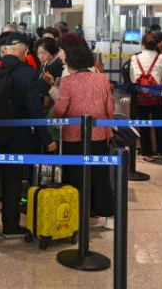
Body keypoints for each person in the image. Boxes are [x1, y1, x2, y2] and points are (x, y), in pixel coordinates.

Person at [0, 34, 56, 237]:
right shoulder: (28, 73)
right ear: (25, 51)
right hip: (16, 134)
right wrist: (46, 139)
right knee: (12, 179)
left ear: (5, 50)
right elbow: (34, 110)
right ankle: (10, 226)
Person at [53, 43, 116, 229]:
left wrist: (56, 116)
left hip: (74, 134)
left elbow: (60, 109)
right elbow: (109, 107)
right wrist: (108, 129)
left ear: (71, 62)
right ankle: (108, 215)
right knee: (100, 175)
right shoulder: (102, 79)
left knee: (75, 175)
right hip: (98, 133)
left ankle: (77, 213)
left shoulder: (67, 82)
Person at [130, 32, 162, 159]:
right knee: (159, 122)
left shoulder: (135, 58)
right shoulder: (161, 58)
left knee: (144, 124)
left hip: (141, 96)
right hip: (157, 96)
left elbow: (132, 78)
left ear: (143, 44)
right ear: (156, 44)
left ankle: (147, 151)